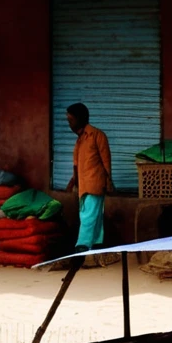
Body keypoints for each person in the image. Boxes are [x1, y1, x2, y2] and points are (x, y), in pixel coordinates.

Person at [67, 102, 112, 251]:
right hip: (83, 186)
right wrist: (73, 181)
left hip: (94, 184)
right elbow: (76, 164)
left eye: (71, 120)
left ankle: (82, 246)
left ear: (80, 118)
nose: (69, 124)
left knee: (88, 217)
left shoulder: (97, 136)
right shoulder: (79, 140)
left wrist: (109, 182)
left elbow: (106, 162)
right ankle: (97, 246)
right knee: (95, 217)